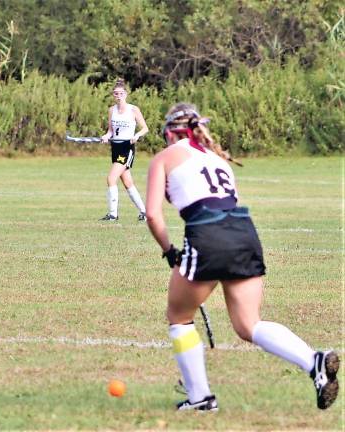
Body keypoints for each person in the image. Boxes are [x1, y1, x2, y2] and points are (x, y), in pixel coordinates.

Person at [145, 102, 339, 411]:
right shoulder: (218, 158)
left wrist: (170, 251)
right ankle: (312, 361)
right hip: (244, 231)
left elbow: (153, 215)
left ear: (171, 133)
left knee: (179, 317)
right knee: (249, 325)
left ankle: (200, 399)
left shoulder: (164, 158)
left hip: (208, 233)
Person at [99, 79, 149, 222]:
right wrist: (106, 136)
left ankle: (113, 214)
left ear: (126, 94)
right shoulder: (111, 110)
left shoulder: (133, 109)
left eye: (121, 93)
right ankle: (144, 212)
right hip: (116, 147)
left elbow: (145, 128)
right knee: (127, 182)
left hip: (127, 148)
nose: (118, 96)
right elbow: (110, 131)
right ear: (113, 95)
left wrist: (137, 136)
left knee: (111, 178)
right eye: (116, 93)